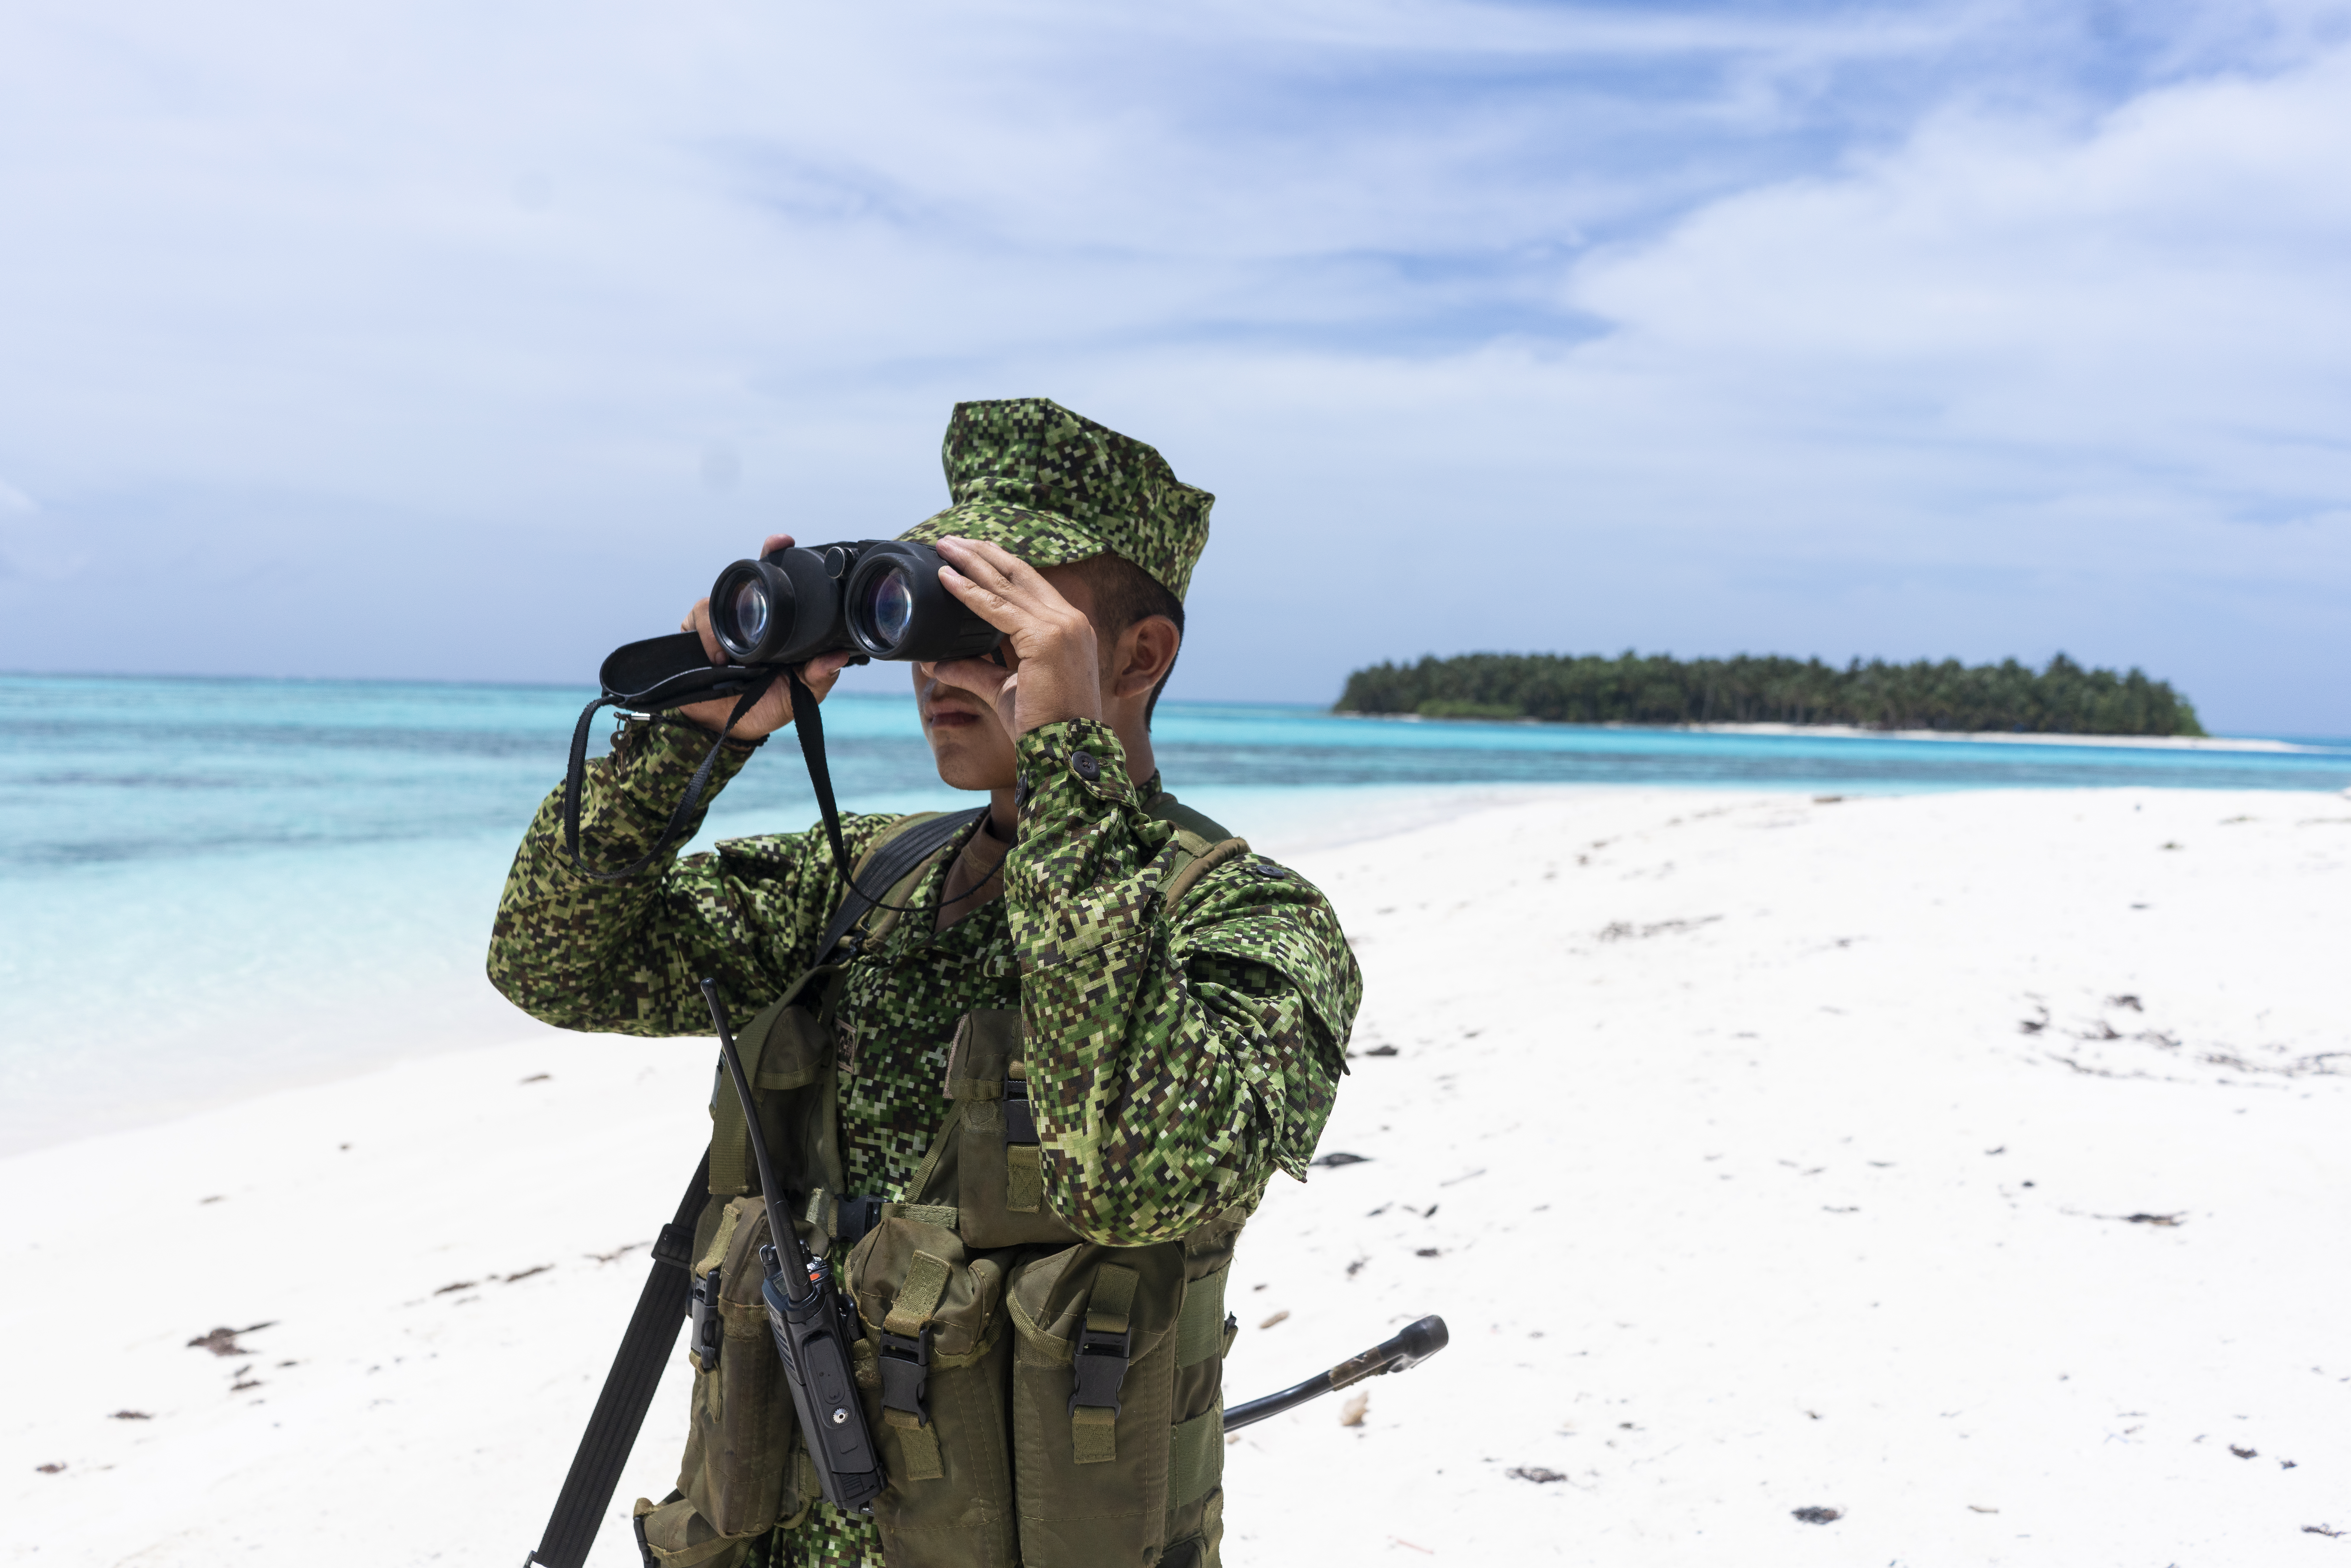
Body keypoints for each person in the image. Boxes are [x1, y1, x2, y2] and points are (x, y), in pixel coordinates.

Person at [488, 398, 1361, 1568]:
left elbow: (1128, 1183)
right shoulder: (866, 878)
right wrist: (688, 744)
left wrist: (1066, 771)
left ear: (1138, 656)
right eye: (927, 618)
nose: (943, 668)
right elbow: (555, 961)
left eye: (996, 625)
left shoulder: (1243, 918)